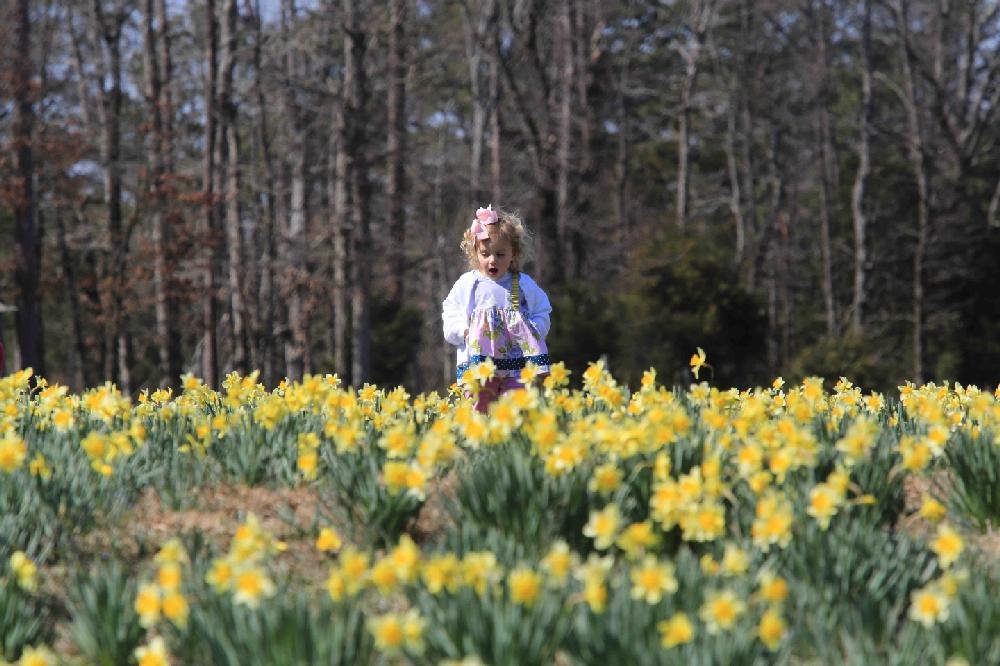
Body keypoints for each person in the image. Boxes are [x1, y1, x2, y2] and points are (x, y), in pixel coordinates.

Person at [442, 204, 552, 412]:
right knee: (479, 405)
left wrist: (533, 330)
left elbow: (542, 309)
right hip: (479, 363)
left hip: (517, 363)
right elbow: (451, 311)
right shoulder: (468, 284)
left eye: (500, 254)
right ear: (476, 253)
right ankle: (481, 441)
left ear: (514, 253)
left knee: (519, 407)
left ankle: (514, 441)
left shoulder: (522, 283)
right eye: (485, 254)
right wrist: (463, 331)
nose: (492, 260)